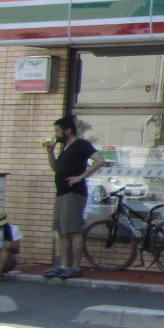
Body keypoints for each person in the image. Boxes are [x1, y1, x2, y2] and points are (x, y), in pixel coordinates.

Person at [44, 115, 104, 280]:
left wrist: (80, 177)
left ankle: (76, 266)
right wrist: (50, 153)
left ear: (68, 130)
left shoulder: (81, 145)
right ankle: (64, 266)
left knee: (73, 230)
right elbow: (57, 168)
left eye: (58, 130)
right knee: (61, 230)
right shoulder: (66, 148)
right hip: (61, 193)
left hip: (74, 193)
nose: (56, 134)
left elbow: (99, 161)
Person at [0, 207, 21, 280]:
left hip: (6, 260)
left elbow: (17, 251)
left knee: (7, 246)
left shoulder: (13, 229)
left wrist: (12, 246)